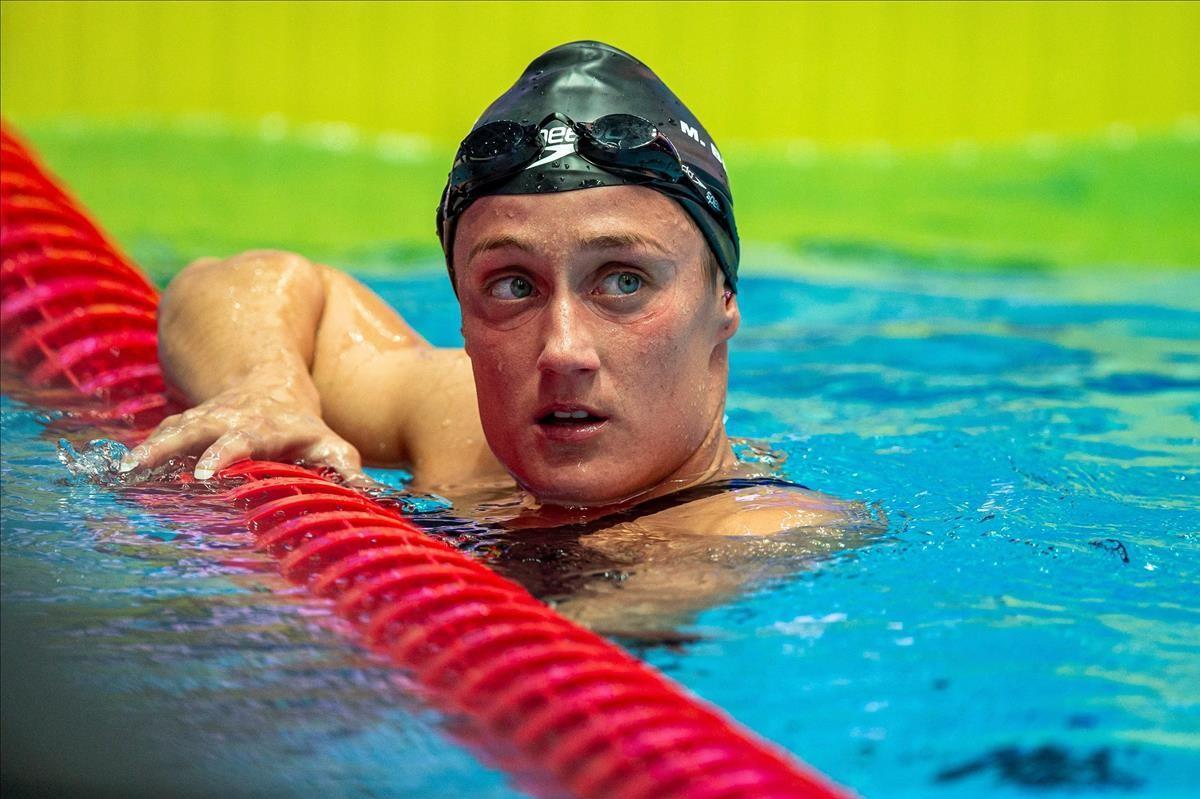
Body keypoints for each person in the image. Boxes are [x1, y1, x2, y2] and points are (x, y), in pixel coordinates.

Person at [120, 42, 864, 629]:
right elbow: (227, 282)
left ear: (723, 302)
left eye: (623, 281)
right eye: (514, 286)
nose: (563, 348)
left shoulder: (763, 531)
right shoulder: (463, 426)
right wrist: (264, 387)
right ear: (465, 314)